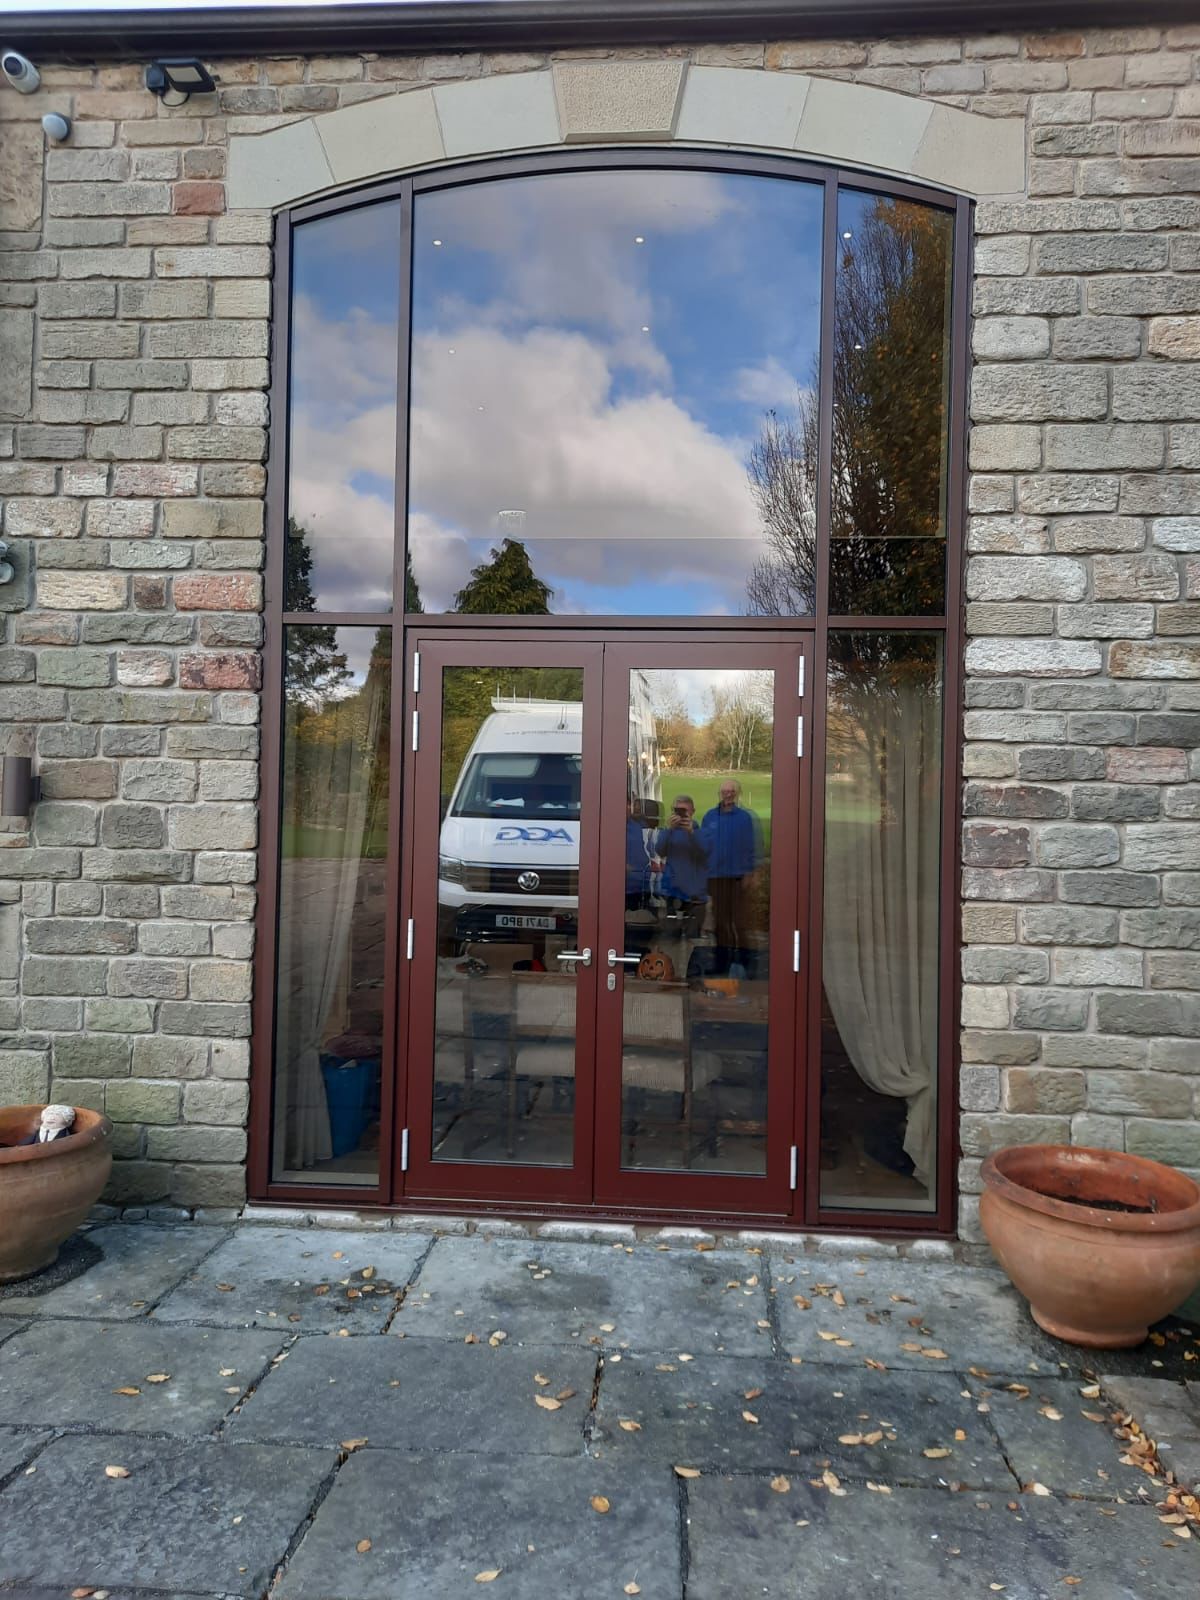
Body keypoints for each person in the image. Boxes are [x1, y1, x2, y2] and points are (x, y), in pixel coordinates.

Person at [700, 779, 762, 972]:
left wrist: (751, 873)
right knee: (720, 923)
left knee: (739, 922)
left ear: (737, 794)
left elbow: (751, 847)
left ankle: (747, 963)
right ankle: (722, 963)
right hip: (716, 878)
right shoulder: (710, 817)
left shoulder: (744, 818)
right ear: (720, 794)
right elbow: (703, 847)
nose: (727, 794)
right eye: (724, 791)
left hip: (737, 878)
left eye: (731, 791)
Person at [653, 794, 709, 938]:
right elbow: (660, 850)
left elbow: (705, 852)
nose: (681, 815)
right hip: (674, 892)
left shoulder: (700, 831)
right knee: (672, 937)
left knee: (692, 938)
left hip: (694, 895)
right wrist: (668, 829)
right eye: (678, 811)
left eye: (685, 811)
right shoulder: (669, 833)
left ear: (692, 812)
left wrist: (691, 833)